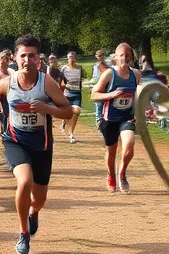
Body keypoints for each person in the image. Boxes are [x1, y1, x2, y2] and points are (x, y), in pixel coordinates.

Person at [0, 35, 73, 254]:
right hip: (15, 140)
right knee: (24, 181)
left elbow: (68, 110)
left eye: (31, 55)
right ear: (15, 57)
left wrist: (48, 109)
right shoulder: (8, 82)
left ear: (38, 59)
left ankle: (33, 213)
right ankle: (23, 232)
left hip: (42, 144)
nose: (27, 60)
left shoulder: (47, 83)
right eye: (22, 55)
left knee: (40, 199)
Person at [92, 43, 142, 193]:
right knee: (111, 152)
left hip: (127, 117)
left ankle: (122, 173)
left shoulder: (136, 74)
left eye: (127, 55)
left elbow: (138, 95)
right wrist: (111, 95)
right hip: (109, 118)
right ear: (115, 57)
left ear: (132, 58)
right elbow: (94, 95)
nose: (124, 58)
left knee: (129, 143)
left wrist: (144, 109)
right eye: (121, 55)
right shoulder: (109, 74)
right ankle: (110, 175)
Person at [59, 52, 84, 143]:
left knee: (76, 112)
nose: (71, 59)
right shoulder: (63, 69)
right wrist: (64, 87)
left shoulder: (80, 68)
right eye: (70, 57)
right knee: (67, 114)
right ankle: (64, 122)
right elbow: (60, 81)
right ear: (67, 59)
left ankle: (71, 134)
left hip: (77, 93)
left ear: (75, 58)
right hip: (67, 94)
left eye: (73, 57)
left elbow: (83, 79)